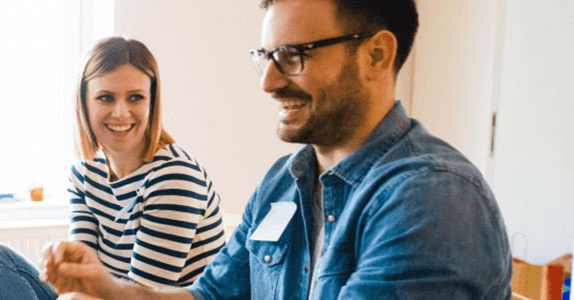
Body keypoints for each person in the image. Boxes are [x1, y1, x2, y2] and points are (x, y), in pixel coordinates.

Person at [43, 0, 512, 299]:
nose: (268, 82)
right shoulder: (281, 184)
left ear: (375, 56)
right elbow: (207, 298)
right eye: (266, 57)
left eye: (294, 56)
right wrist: (109, 288)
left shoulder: (430, 199)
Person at [0, 37, 226, 300]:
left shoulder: (175, 177)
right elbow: (80, 280)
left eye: (136, 98)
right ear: (85, 104)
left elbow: (140, 295)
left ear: (152, 103)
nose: (121, 113)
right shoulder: (84, 173)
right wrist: (60, 269)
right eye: (105, 98)